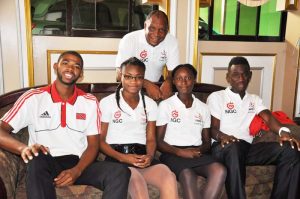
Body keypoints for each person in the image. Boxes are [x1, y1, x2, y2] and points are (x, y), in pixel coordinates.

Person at [0, 51, 130, 199]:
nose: (70, 68)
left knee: (120, 172)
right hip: (45, 161)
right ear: (56, 67)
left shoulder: (90, 102)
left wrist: (77, 171)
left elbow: (93, 145)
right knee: (36, 157)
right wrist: (23, 148)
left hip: (78, 163)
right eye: (65, 63)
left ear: (80, 74)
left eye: (76, 66)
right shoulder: (33, 98)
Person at [206, 56, 300, 199]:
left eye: (244, 74)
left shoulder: (254, 99)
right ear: (228, 78)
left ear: (250, 75)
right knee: (234, 146)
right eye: (235, 75)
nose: (241, 78)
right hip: (222, 148)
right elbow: (212, 129)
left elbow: (267, 117)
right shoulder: (217, 97)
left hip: (246, 148)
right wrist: (223, 137)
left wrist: (283, 131)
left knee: (290, 149)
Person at [99, 57, 178, 199]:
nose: (133, 82)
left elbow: (151, 138)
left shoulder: (150, 104)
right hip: (117, 159)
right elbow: (100, 141)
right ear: (120, 77)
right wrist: (124, 158)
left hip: (142, 158)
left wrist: (150, 156)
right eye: (128, 77)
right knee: (137, 180)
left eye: (138, 77)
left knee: (167, 174)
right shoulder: (107, 103)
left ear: (143, 79)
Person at [156, 64, 227, 199]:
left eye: (188, 78)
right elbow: (159, 142)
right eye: (179, 78)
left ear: (194, 80)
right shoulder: (165, 105)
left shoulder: (203, 108)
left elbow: (207, 142)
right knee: (188, 175)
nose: (184, 82)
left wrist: (198, 151)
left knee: (220, 169)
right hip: (172, 153)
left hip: (196, 153)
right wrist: (181, 152)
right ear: (173, 81)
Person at [115, 10, 180, 101]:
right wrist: (146, 84)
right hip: (131, 86)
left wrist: (168, 82)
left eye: (162, 30)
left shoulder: (172, 41)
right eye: (152, 28)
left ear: (167, 30)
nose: (156, 34)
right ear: (145, 25)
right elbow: (119, 74)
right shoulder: (129, 39)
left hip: (157, 84)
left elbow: (174, 71)